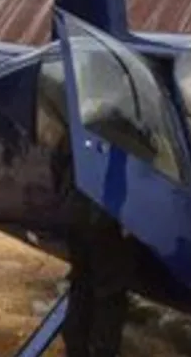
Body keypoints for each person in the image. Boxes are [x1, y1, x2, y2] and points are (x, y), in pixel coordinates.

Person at [52, 138, 135, 357]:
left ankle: (75, 346)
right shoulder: (123, 133)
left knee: (81, 281)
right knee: (110, 292)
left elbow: (57, 164)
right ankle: (103, 350)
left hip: (74, 217)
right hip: (104, 221)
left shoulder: (79, 125)